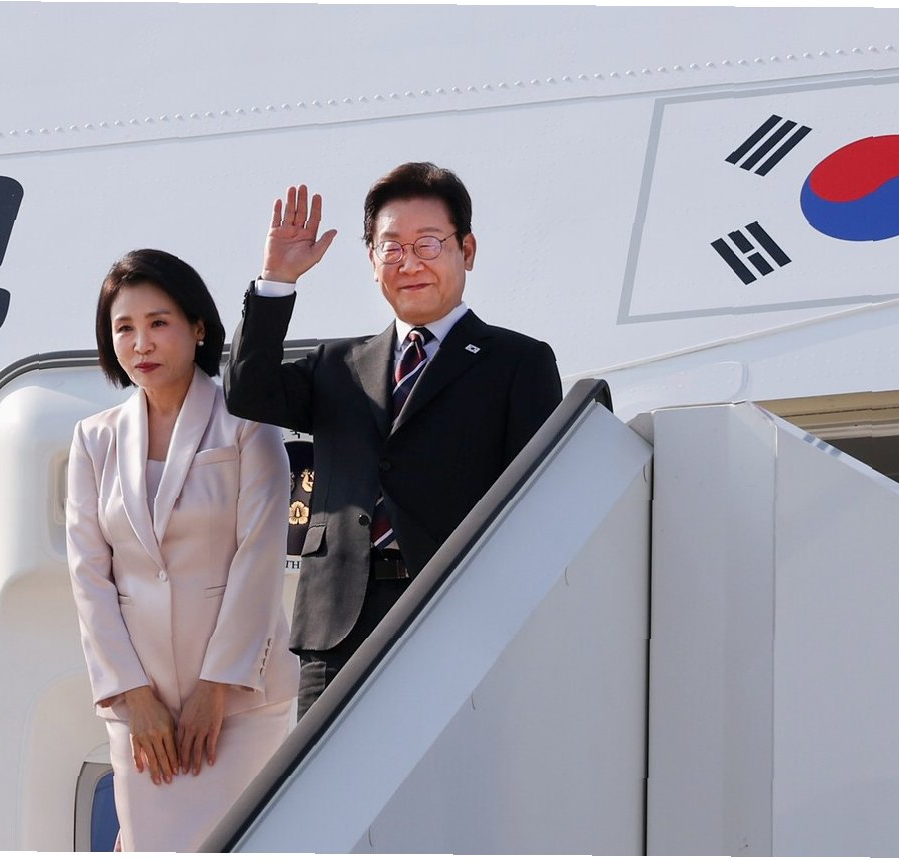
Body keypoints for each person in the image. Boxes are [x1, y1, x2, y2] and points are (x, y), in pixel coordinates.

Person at [225, 162, 563, 718]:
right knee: (328, 772)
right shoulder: (338, 364)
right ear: (372, 260)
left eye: (428, 243)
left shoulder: (518, 362)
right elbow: (247, 392)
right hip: (337, 630)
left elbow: (535, 505)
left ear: (467, 250)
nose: (409, 263)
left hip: (456, 619)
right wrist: (277, 280)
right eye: (392, 247)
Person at [66, 249, 298, 851]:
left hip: (241, 704)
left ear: (198, 328)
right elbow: (89, 576)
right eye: (124, 327)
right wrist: (132, 695)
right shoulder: (93, 439)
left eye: (158, 323)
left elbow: (259, 557)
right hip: (144, 715)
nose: (141, 342)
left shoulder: (246, 422)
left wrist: (216, 685)